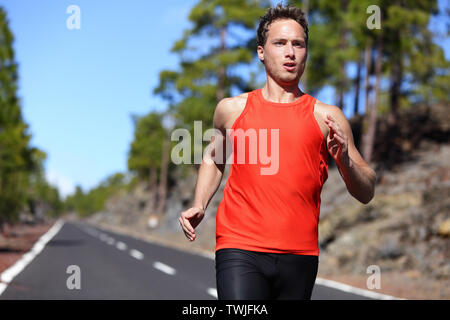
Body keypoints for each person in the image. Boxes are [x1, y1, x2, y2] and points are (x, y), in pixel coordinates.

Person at [178, 3, 376, 300]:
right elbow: (213, 157)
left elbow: (367, 191)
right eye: (280, 43)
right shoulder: (232, 109)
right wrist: (200, 203)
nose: (290, 52)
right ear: (261, 51)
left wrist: (345, 160)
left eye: (298, 44)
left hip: (300, 254)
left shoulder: (327, 117)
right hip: (240, 246)